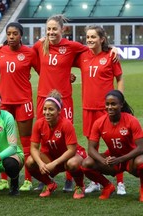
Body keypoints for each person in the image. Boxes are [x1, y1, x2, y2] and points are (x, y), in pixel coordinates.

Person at [32, 14, 117, 192]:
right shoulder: (40, 45)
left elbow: (93, 50)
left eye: (55, 28)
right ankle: (45, 177)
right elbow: (26, 57)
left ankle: (71, 177)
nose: (51, 32)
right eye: (48, 29)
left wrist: (112, 49)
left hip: (64, 99)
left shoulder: (71, 47)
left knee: (66, 137)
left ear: (63, 30)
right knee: (44, 136)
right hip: (43, 98)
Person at [74, 25, 126, 195]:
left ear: (102, 39)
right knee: (92, 146)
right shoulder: (82, 56)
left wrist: (120, 99)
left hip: (107, 109)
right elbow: (63, 61)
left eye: (93, 37)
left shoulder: (110, 56)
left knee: (116, 144)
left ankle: (120, 183)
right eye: (87, 37)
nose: (89, 40)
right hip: (88, 108)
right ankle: (95, 181)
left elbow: (119, 78)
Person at [0, 22, 39, 191]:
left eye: (15, 34)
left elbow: (44, 70)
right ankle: (4, 179)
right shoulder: (0, 52)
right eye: (9, 34)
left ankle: (28, 179)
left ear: (21, 35)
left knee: (26, 142)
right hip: (4, 103)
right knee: (3, 142)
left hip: (24, 101)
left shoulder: (30, 52)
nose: (11, 37)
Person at [82, 90, 143, 201]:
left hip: (130, 159)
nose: (110, 107)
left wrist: (120, 159)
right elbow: (91, 149)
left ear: (121, 104)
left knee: (141, 161)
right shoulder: (99, 123)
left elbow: (141, 147)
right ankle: (108, 186)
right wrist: (103, 160)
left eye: (113, 104)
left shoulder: (131, 120)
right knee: (86, 163)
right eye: (107, 104)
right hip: (114, 160)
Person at [26, 90, 86, 199]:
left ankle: (80, 186)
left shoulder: (66, 124)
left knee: (72, 164)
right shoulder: (39, 124)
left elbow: (71, 150)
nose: (47, 112)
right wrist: (40, 163)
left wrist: (54, 163)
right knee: (30, 162)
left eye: (51, 109)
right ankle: (49, 184)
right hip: (51, 157)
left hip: (69, 157)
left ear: (59, 111)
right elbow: (33, 148)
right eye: (45, 109)